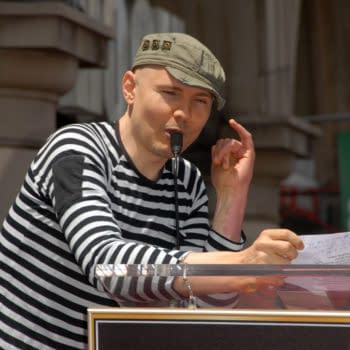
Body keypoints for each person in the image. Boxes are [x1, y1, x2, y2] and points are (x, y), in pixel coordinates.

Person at [0, 32, 304, 349]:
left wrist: (231, 195)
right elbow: (107, 265)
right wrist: (241, 264)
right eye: (170, 93)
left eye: (200, 101)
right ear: (130, 88)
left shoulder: (185, 181)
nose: (183, 113)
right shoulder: (76, 149)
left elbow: (210, 304)